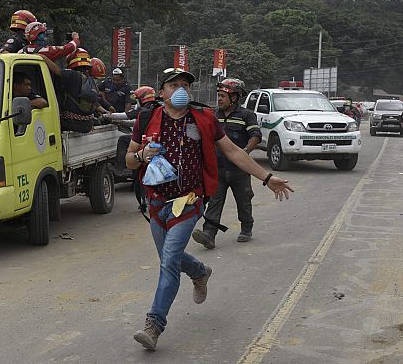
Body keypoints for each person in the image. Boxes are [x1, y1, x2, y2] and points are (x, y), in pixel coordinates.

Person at [125, 68, 293, 351]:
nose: (181, 90)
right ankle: (200, 272)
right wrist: (141, 155)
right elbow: (129, 160)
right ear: (162, 91)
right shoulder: (146, 118)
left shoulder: (204, 118)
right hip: (156, 204)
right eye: (174, 85)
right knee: (172, 258)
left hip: (189, 202)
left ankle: (153, 325)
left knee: (168, 262)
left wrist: (266, 178)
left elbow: (233, 151)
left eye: (185, 85)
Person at [192, 78, 262, 248]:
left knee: (243, 201)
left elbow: (256, 136)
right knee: (215, 202)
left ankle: (246, 227)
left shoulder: (246, 115)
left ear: (235, 98)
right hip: (218, 169)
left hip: (239, 170)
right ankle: (209, 234)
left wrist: (244, 153)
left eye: (223, 96)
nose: (219, 99)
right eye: (219, 95)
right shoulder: (212, 114)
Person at [44, 48, 109, 133]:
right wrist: (105, 111)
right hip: (87, 125)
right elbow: (94, 103)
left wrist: (43, 57)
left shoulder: (72, 75)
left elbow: (57, 70)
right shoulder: (90, 80)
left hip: (70, 124)